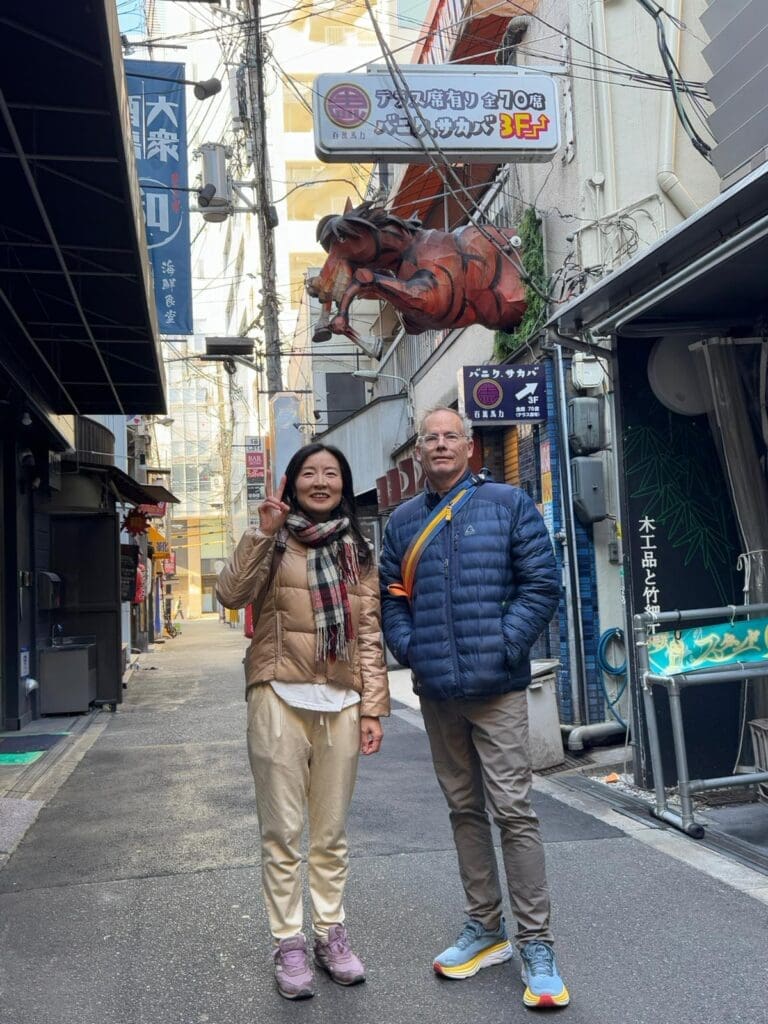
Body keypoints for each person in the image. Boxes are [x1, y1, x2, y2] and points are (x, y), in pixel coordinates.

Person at [379, 406, 568, 1010]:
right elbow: (392, 600)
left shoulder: (509, 505)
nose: (439, 445)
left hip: (499, 690)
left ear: (468, 448)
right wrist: (412, 652)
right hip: (438, 693)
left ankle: (536, 942)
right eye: (429, 437)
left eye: (449, 436)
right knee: (463, 809)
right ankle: (485, 928)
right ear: (418, 451)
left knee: (513, 811)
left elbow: (542, 586)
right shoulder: (403, 521)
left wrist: (505, 646)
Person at [216, 443, 390, 1001]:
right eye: (309, 473)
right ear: (292, 484)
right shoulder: (274, 540)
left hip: (339, 702)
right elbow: (229, 593)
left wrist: (372, 709)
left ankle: (330, 933)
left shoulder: (357, 551)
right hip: (277, 694)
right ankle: (289, 941)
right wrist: (262, 533)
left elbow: (366, 635)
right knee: (282, 831)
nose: (321, 482)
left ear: (343, 484)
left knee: (331, 832)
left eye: (331, 473)